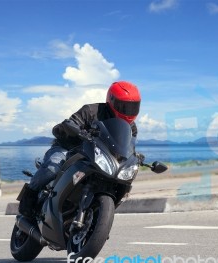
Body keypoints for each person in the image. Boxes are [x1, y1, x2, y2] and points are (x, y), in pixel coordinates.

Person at [18, 81, 142, 218]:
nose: (127, 111)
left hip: (97, 157)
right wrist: (77, 131)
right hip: (69, 149)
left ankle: (97, 218)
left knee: (121, 181)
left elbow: (128, 148)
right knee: (52, 167)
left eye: (132, 107)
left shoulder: (131, 128)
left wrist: (135, 157)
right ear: (111, 100)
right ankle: (29, 196)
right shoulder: (91, 110)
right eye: (123, 106)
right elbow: (71, 122)